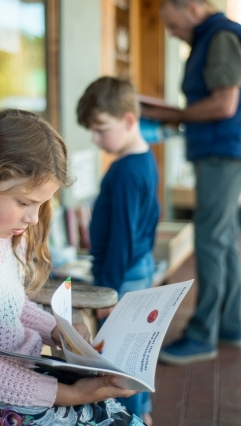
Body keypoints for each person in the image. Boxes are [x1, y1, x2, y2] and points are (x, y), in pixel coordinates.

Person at [0, 108, 147, 426]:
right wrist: (72, 396)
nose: (33, 218)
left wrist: (57, 330)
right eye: (24, 203)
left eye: (42, 204)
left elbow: (9, 305)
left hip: (15, 378)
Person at [149, 0, 241, 365]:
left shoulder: (221, 36)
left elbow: (223, 103)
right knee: (224, 239)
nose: (171, 32)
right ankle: (228, 327)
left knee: (210, 240)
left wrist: (174, 115)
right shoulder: (212, 37)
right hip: (226, 151)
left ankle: (201, 336)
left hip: (223, 151)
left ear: (194, 8)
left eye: (174, 24)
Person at [77, 77, 160, 425]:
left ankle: (133, 418)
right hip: (138, 266)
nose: (96, 140)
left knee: (120, 360)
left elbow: (123, 237)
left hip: (121, 276)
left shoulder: (124, 172)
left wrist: (105, 294)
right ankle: (144, 414)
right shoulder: (145, 159)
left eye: (100, 129)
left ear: (128, 120)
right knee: (135, 352)